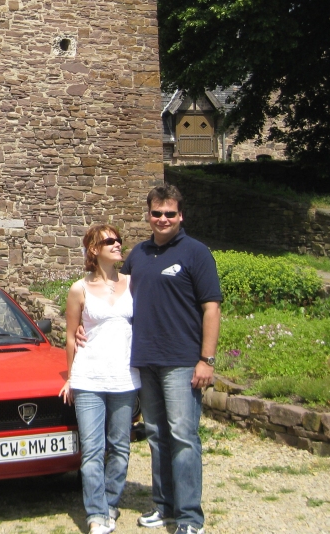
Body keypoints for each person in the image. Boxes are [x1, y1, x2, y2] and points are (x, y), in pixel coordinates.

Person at [120, 184, 222, 534]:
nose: (163, 219)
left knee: (182, 436)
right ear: (148, 215)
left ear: (181, 216)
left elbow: (211, 308)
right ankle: (163, 507)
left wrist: (206, 359)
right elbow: (115, 298)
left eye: (170, 214)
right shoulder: (138, 254)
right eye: (157, 213)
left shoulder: (196, 253)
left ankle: (190, 516)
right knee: (156, 435)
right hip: (146, 359)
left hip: (181, 361)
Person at [60, 224, 140, 534]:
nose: (118, 244)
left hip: (125, 378)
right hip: (89, 377)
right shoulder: (79, 289)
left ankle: (110, 504)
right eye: (110, 241)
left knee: (120, 447)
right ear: (94, 249)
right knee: (93, 449)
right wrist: (70, 377)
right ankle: (96, 514)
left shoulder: (133, 284)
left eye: (120, 240)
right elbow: (70, 337)